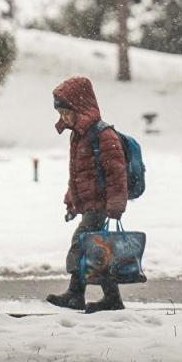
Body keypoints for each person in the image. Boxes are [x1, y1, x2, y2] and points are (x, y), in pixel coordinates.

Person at [45, 76, 129, 314]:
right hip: (90, 202)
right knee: (95, 249)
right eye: (60, 114)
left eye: (66, 113)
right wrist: (72, 200)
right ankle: (107, 297)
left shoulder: (103, 136)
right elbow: (78, 174)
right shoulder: (79, 135)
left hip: (101, 203)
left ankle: (77, 293)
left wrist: (115, 204)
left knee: (82, 244)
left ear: (80, 109)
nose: (63, 119)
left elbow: (116, 173)